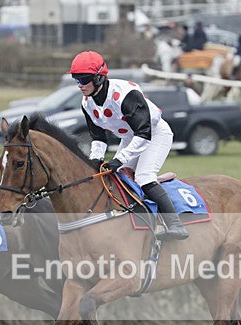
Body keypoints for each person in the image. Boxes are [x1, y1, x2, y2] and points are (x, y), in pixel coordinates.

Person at [68, 50, 188, 240]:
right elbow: (98, 137)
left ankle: (175, 224)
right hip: (132, 138)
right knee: (114, 177)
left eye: (83, 80)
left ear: (99, 78)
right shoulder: (87, 103)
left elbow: (144, 133)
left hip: (155, 133)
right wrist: (94, 160)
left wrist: (119, 159)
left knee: (144, 176)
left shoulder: (126, 95)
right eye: (76, 80)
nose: (80, 85)